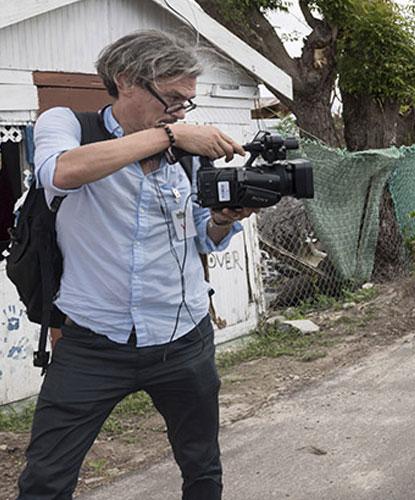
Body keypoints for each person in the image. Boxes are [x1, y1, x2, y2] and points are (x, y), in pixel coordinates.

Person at [20, 30, 254, 499]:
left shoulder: (187, 149)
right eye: (171, 98)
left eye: (186, 103)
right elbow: (59, 173)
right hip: (92, 342)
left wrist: (223, 222)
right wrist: (166, 135)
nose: (180, 112)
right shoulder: (66, 123)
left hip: (184, 338)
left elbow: (204, 238)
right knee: (46, 479)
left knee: (202, 465)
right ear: (126, 80)